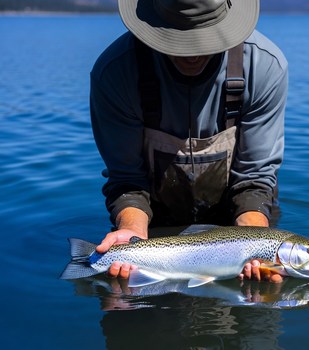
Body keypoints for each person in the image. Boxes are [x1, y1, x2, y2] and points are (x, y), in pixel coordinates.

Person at [90, 0, 288, 283]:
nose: (192, 55)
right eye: (178, 41)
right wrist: (131, 232)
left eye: (203, 42)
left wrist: (258, 243)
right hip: (154, 227)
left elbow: (255, 179)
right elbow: (127, 179)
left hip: (242, 222)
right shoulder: (115, 72)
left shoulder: (265, 66)